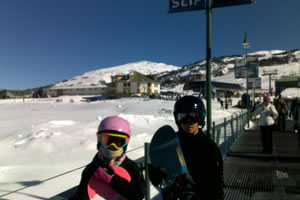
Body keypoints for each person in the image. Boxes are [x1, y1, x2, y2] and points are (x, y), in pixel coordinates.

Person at [149, 96, 224, 200]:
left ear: (200, 117)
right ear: (177, 118)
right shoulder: (170, 143)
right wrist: (157, 175)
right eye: (183, 117)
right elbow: (160, 177)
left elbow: (216, 184)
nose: (189, 122)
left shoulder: (209, 148)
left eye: (194, 116)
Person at [70, 116, 145, 200]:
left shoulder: (131, 167)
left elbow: (139, 195)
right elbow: (83, 195)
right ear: (99, 140)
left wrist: (112, 179)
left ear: (125, 144)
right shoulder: (92, 169)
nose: (112, 146)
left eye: (118, 142)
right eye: (107, 141)